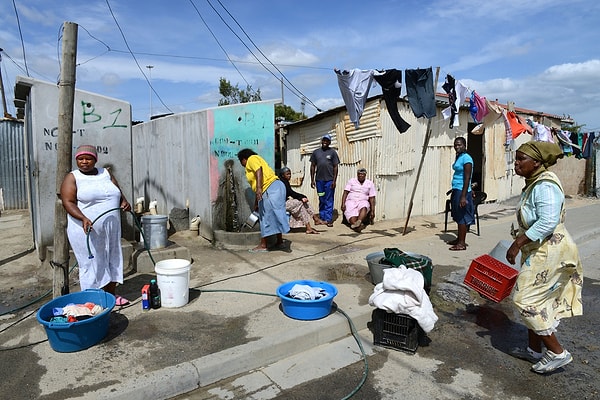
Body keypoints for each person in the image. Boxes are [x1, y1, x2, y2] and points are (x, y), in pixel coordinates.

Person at [505, 141, 583, 374]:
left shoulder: (545, 185)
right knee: (538, 299)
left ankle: (557, 352)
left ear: (537, 163)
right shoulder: (535, 182)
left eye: (521, 159)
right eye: (516, 158)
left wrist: (517, 244)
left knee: (524, 299)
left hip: (550, 251)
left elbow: (548, 221)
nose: (516, 163)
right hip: (539, 250)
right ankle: (534, 350)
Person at [60, 145, 132, 306]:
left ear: (95, 160)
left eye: (88, 158)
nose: (84, 162)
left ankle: (111, 295)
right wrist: (83, 218)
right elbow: (68, 202)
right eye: (80, 159)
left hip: (111, 229)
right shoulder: (73, 177)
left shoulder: (105, 173)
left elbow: (117, 191)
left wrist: (124, 202)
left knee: (113, 258)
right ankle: (92, 301)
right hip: (85, 229)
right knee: (91, 263)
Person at [237, 148, 290, 252]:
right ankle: (279, 242)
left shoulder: (251, 159)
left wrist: (259, 188)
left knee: (264, 217)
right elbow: (258, 185)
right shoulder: (259, 159)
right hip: (276, 187)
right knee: (275, 214)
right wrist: (257, 202)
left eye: (241, 161)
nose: (242, 164)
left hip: (270, 188)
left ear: (244, 159)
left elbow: (258, 170)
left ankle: (263, 245)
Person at [279, 167, 325, 234]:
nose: (289, 176)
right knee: (301, 202)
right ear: (283, 175)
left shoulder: (285, 181)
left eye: (290, 174)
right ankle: (315, 219)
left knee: (302, 205)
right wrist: (302, 197)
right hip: (281, 204)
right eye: (287, 174)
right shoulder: (282, 182)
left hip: (285, 202)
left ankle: (310, 227)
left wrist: (302, 197)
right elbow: (290, 193)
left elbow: (291, 193)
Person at [448, 137, 474, 251]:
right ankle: (459, 239)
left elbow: (467, 178)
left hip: (462, 191)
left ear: (464, 145)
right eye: (455, 145)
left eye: (459, 145)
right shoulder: (459, 156)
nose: (457, 147)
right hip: (457, 189)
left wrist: (463, 196)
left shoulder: (467, 159)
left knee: (462, 216)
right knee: (457, 214)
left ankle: (462, 243)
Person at [310, 134, 340, 227]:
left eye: (327, 141)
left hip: (329, 181)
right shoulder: (316, 152)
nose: (325, 142)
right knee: (322, 198)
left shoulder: (332, 153)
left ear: (329, 142)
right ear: (321, 141)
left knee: (329, 199)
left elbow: (335, 167)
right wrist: (312, 180)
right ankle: (322, 217)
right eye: (324, 140)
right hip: (319, 181)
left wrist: (334, 181)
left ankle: (328, 219)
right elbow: (313, 166)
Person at [341, 168, 376, 232]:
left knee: (364, 206)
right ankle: (357, 226)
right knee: (352, 218)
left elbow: (372, 197)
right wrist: (343, 204)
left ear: (365, 175)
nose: (360, 175)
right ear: (357, 174)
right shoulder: (352, 181)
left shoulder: (369, 183)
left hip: (363, 201)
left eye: (362, 174)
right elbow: (345, 192)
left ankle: (359, 221)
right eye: (359, 174)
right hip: (351, 201)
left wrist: (372, 211)